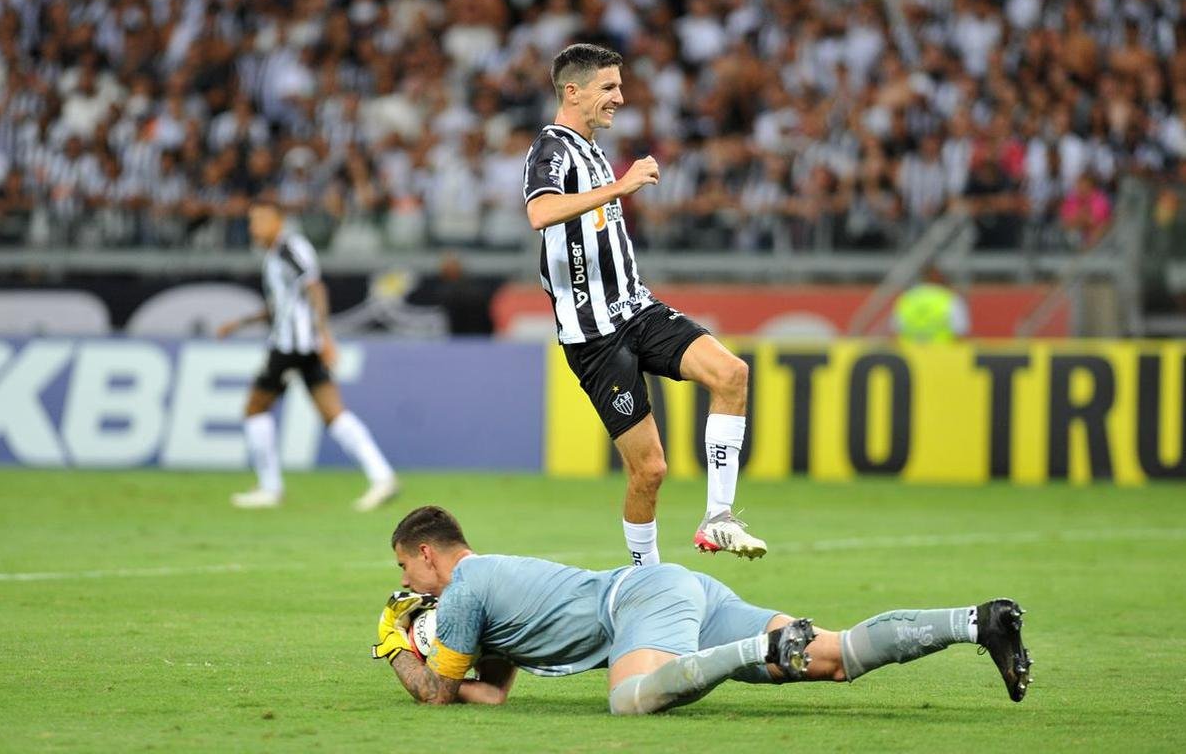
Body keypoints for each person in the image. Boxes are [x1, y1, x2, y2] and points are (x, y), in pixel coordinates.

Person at [372, 506, 1033, 713]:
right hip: (675, 591)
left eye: (405, 567)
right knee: (831, 657)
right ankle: (976, 621)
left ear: (426, 553)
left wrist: (395, 645)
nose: (408, 583)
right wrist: (455, 664)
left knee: (629, 699)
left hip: (640, 602)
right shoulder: (494, 582)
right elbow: (487, 697)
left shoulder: (460, 593)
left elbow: (438, 695)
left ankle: (757, 650)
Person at [523, 42, 764, 564]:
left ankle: (717, 518)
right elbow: (541, 214)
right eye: (608, 88)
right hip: (595, 337)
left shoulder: (593, 151)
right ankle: (645, 580)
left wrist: (617, 187)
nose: (620, 98)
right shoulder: (552, 149)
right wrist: (620, 188)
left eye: (619, 86)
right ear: (573, 91)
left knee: (732, 375)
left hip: (638, 309)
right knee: (649, 470)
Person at [216, 197, 399, 511]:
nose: (253, 227)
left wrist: (325, 335)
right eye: (252, 221)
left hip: (292, 346)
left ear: (278, 221)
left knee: (255, 408)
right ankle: (382, 476)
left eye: (259, 220)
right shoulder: (275, 254)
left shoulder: (289, 248)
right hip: (302, 344)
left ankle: (270, 488)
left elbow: (315, 288)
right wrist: (241, 322)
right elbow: (284, 303)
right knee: (334, 413)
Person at [892, 267, 971, 342]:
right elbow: (960, 330)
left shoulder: (907, 297)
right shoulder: (949, 298)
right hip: (941, 351)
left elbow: (896, 327)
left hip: (909, 352)